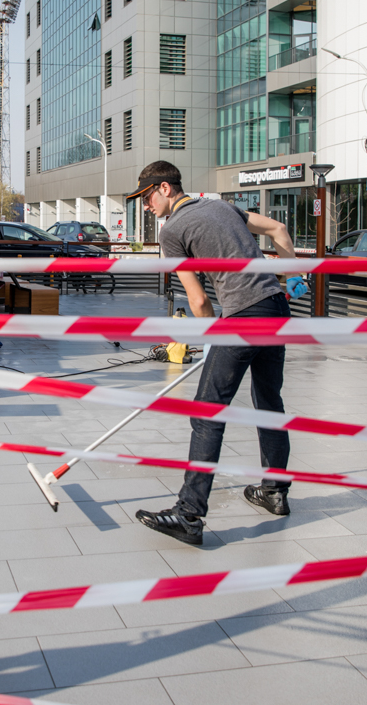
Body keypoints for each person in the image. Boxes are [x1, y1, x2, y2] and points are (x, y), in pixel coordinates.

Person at [130, 161, 305, 545]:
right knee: (269, 401)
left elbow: (197, 300)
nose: (145, 206)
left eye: (146, 197)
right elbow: (278, 229)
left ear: (164, 188)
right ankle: (275, 491)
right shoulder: (223, 206)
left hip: (242, 313)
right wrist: (293, 277)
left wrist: (209, 338)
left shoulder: (172, 231)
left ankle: (189, 515)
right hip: (275, 305)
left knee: (207, 411)